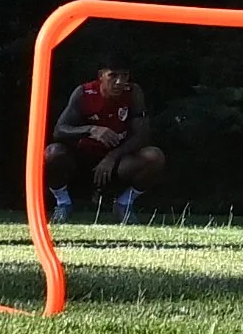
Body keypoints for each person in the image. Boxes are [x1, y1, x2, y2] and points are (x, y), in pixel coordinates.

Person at [46, 62, 163, 225]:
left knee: (154, 156)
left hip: (116, 161)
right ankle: (63, 203)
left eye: (124, 76)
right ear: (101, 75)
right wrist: (92, 129)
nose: (119, 82)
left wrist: (113, 156)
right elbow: (60, 131)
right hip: (82, 157)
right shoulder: (84, 93)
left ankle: (124, 204)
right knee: (52, 153)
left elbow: (142, 135)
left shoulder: (133, 92)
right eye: (113, 76)